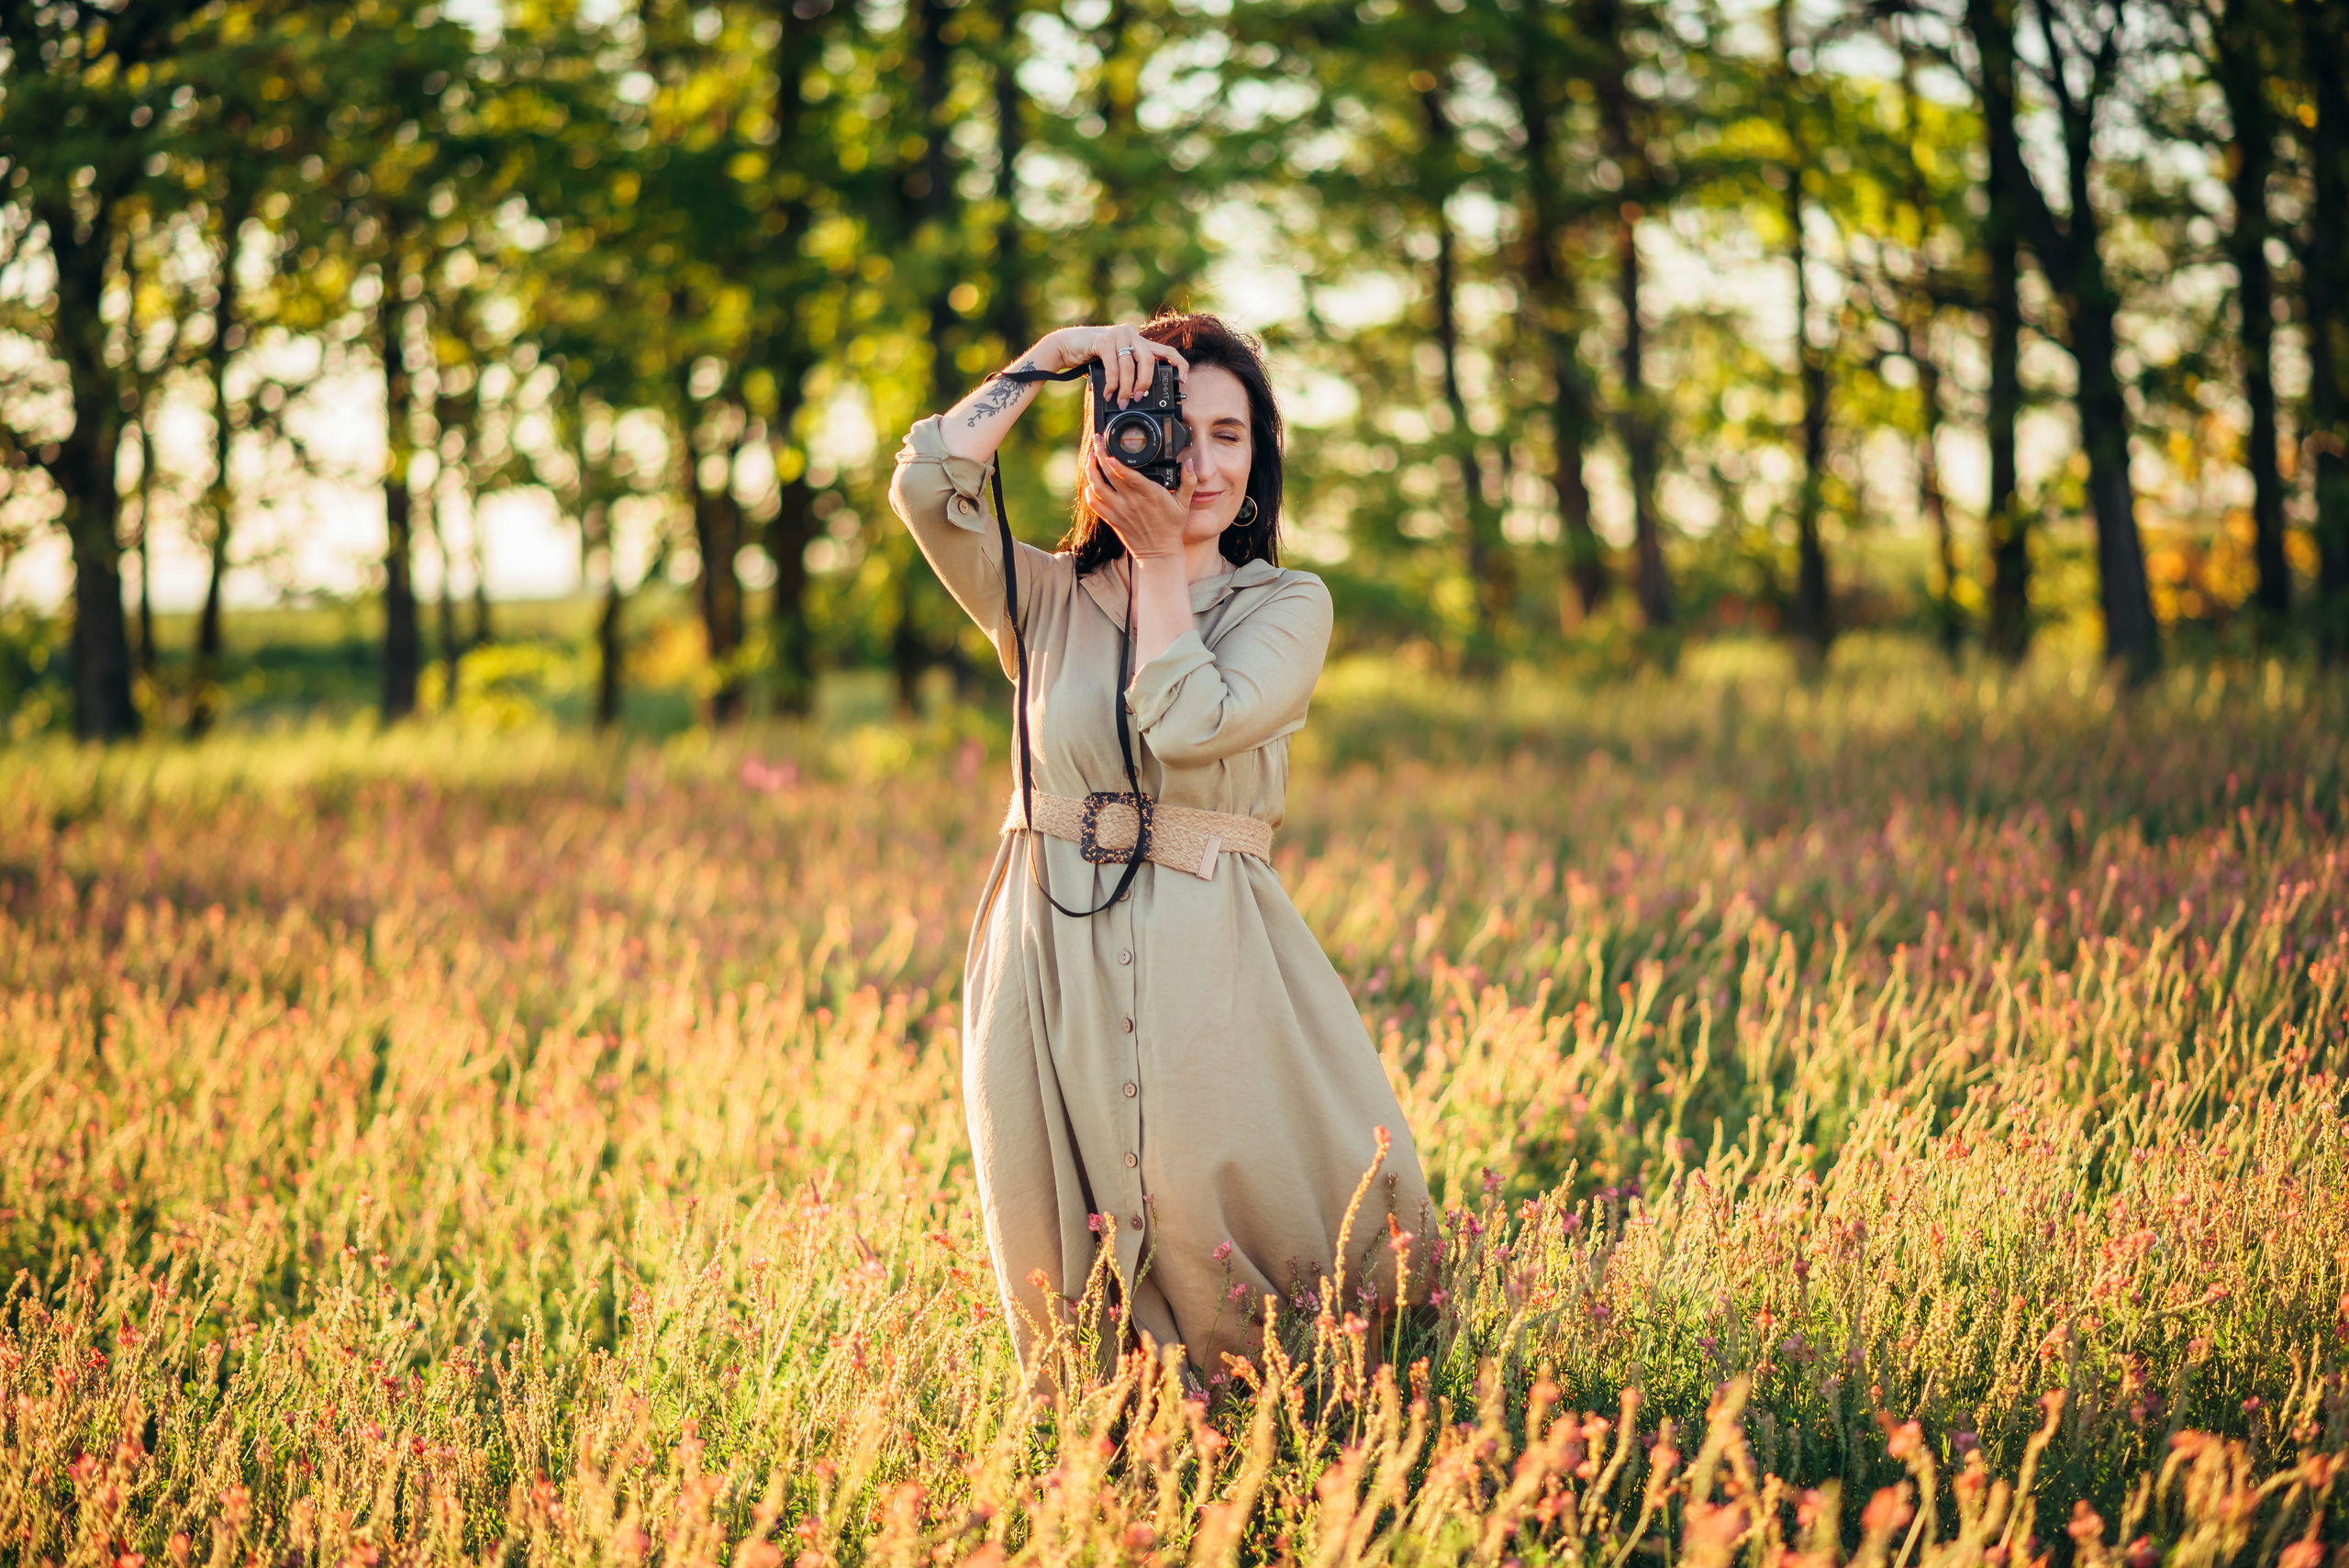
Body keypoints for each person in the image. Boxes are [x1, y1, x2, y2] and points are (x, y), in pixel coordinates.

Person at [887, 311, 1432, 1384]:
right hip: (1048, 940)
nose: (1202, 461)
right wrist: (1049, 360)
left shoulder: (1285, 605)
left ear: (1260, 460)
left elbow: (1188, 721)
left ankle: (1308, 1418)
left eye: (1231, 436)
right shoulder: (1042, 595)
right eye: (1173, 429)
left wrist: (1157, 560)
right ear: (1113, 442)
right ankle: (1117, 1455)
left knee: (1222, 1195)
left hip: (1210, 943)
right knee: (1065, 1223)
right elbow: (926, 486)